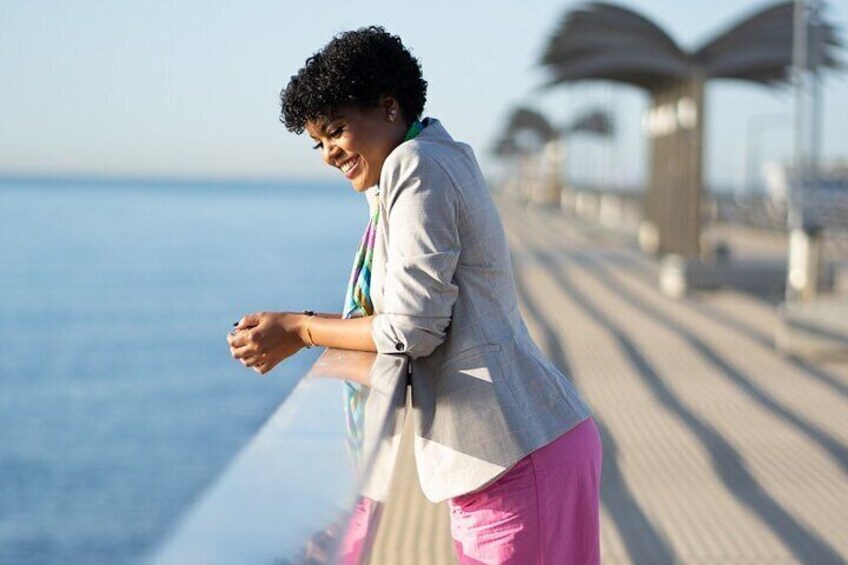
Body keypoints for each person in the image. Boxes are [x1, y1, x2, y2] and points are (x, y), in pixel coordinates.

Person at [227, 26, 602, 564]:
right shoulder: (438, 155)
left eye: (336, 130)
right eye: (318, 141)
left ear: (387, 107)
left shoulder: (416, 165)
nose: (330, 153)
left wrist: (301, 329)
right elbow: (409, 311)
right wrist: (298, 328)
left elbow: (409, 329)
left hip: (518, 460)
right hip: (527, 449)